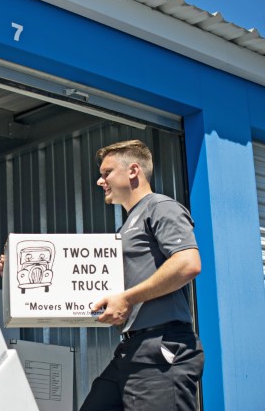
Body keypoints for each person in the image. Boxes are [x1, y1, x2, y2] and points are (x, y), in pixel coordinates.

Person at [79, 139, 205, 411]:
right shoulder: (126, 227)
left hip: (161, 347)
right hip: (131, 349)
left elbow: (187, 263)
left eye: (106, 173)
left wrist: (127, 298)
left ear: (133, 170)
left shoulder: (159, 207)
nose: (100, 182)